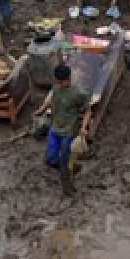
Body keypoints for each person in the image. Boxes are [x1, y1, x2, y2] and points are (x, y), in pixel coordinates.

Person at [35, 63, 92, 196]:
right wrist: (41, 110)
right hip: (55, 128)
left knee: (65, 163)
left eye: (64, 81)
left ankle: (68, 188)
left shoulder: (79, 93)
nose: (62, 84)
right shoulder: (56, 88)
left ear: (69, 78)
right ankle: (74, 167)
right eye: (59, 82)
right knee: (50, 159)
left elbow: (88, 111)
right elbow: (51, 99)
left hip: (69, 131)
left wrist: (83, 128)